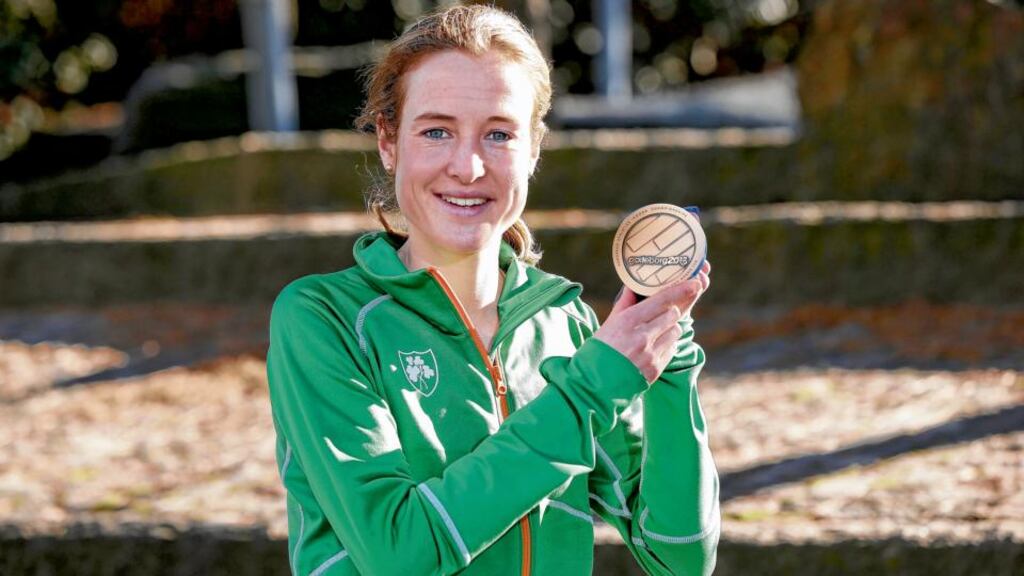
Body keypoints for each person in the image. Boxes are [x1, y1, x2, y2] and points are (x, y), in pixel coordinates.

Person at [267, 5, 719, 576]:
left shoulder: (570, 329)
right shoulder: (323, 320)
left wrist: (668, 370)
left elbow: (679, 556)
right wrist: (587, 393)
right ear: (388, 141)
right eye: (436, 131)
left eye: (499, 134)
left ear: (533, 149)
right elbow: (400, 553)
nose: (468, 165)